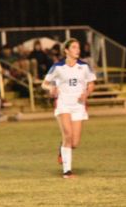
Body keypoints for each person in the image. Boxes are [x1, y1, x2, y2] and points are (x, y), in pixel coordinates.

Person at [41, 38, 96, 178]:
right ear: (66, 50)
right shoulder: (57, 67)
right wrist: (51, 88)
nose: (78, 50)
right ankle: (67, 172)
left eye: (78, 47)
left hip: (78, 106)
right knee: (68, 135)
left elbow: (91, 84)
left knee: (74, 143)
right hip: (63, 104)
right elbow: (44, 83)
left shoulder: (84, 66)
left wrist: (86, 93)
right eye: (74, 47)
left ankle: (62, 149)